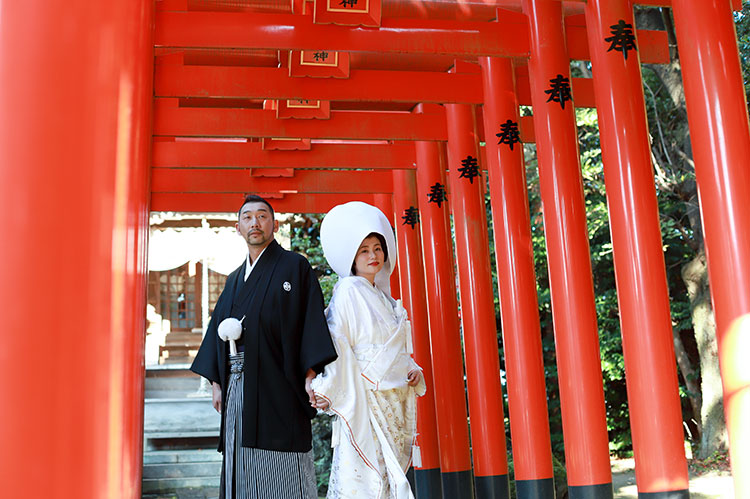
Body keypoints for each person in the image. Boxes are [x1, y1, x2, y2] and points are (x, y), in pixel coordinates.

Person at [191, 194, 338, 499]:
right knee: (240, 459)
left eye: (262, 216)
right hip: (238, 386)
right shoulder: (233, 280)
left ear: (275, 224)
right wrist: (217, 381)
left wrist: (311, 373)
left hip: (280, 383)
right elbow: (216, 330)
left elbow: (310, 321)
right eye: (247, 217)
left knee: (281, 462)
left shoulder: (295, 266)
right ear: (238, 227)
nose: (254, 223)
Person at [310, 201, 426, 499]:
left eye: (377, 248)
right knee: (365, 475)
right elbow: (339, 343)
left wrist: (412, 368)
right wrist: (326, 386)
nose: (373, 256)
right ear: (352, 255)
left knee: (388, 473)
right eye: (364, 250)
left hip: (394, 395)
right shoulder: (348, 291)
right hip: (366, 396)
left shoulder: (383, 297)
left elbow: (396, 349)